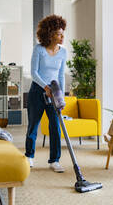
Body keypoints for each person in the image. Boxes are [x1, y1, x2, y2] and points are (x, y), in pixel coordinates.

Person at [25, 14, 67, 173]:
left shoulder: (63, 52)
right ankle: (29, 156)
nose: (62, 36)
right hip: (37, 91)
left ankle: (54, 160)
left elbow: (61, 74)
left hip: (54, 92)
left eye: (63, 33)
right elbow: (34, 73)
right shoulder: (39, 49)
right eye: (58, 33)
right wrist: (45, 88)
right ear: (49, 34)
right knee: (33, 126)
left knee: (55, 127)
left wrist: (60, 94)